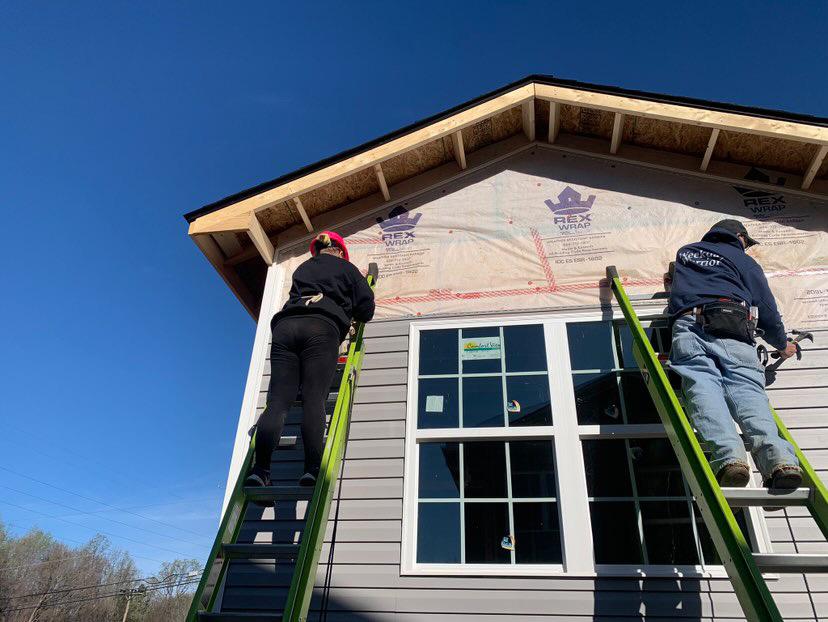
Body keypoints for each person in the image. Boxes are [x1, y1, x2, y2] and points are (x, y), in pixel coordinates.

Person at [667, 219, 801, 490]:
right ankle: (779, 462)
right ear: (739, 236)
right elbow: (764, 304)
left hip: (688, 325)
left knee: (702, 389)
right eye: (747, 243)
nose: (747, 248)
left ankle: (730, 460)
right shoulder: (741, 259)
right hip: (731, 324)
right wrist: (780, 342)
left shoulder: (685, 253)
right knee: (747, 393)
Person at [245, 231, 375, 489]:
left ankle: (261, 471)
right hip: (320, 328)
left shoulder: (303, 269)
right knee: (314, 399)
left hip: (285, 328)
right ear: (340, 251)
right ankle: (312, 470)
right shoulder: (347, 269)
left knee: (279, 401)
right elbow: (367, 311)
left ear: (317, 250)